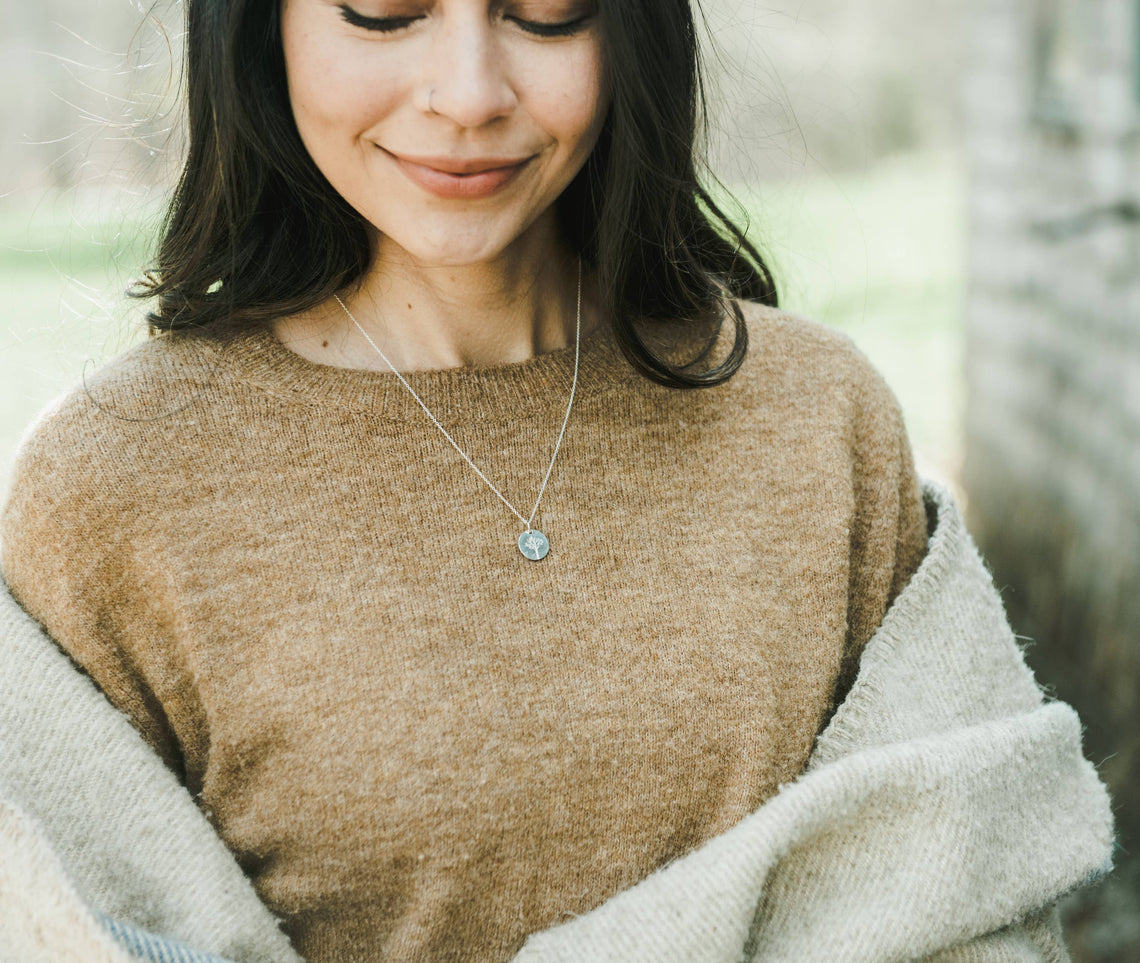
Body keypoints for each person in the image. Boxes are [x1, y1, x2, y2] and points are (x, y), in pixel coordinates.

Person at [0, 0, 941, 959]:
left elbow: (967, 880)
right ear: (257, 29)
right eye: (384, 11)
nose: (470, 96)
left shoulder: (819, 416)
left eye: (544, 14)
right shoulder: (112, 482)